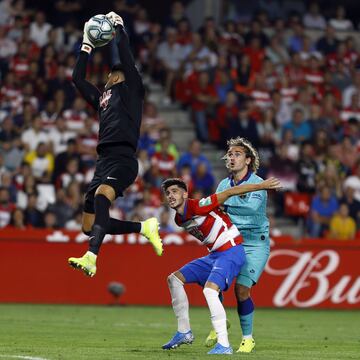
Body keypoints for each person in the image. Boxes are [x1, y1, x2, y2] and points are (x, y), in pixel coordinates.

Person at [68, 12, 162, 277]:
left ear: (118, 77)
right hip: (104, 161)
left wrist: (119, 26)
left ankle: (91, 257)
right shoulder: (103, 100)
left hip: (123, 159)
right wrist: (86, 46)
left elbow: (124, 52)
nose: (108, 76)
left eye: (112, 74)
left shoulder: (131, 88)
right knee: (89, 224)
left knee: (101, 198)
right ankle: (144, 228)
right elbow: (77, 79)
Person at [161, 176, 281, 355]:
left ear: (185, 194)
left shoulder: (199, 205)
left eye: (175, 191)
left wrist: (261, 186)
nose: (170, 195)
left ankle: (224, 345)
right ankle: (184, 332)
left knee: (210, 290)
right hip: (215, 255)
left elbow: (230, 192)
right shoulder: (179, 219)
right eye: (168, 193)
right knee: (174, 279)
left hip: (231, 251)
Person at [204, 137, 272, 353]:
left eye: (237, 154)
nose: (231, 158)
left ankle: (248, 338)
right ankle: (220, 323)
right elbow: (215, 207)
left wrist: (224, 203)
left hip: (254, 243)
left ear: (248, 160)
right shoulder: (223, 184)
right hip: (231, 241)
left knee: (242, 290)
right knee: (213, 283)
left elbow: (251, 210)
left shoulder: (259, 184)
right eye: (230, 154)